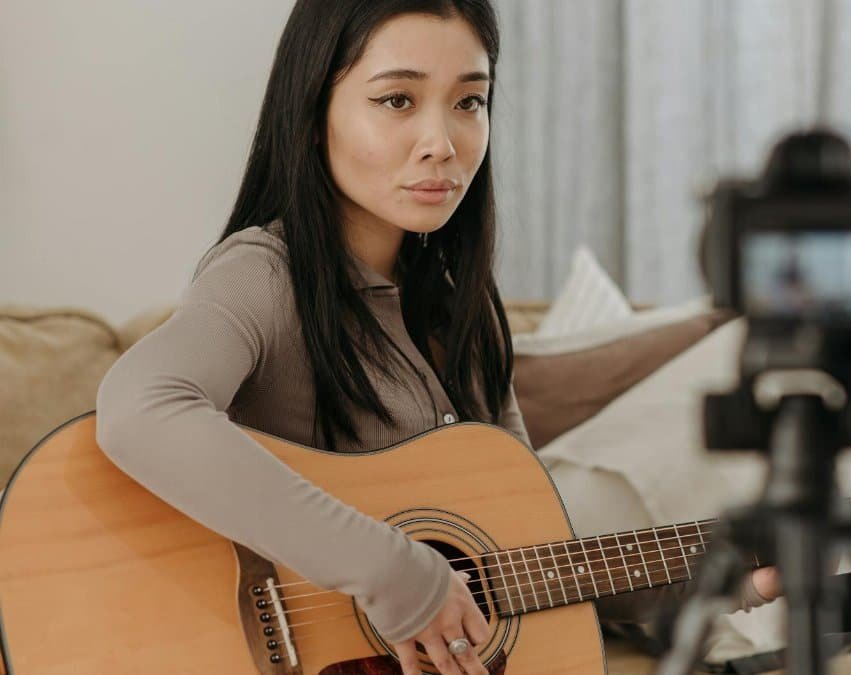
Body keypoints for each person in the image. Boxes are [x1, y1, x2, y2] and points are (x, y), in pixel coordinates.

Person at [95, 2, 779, 674]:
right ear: (310, 116)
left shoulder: (463, 310)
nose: (442, 143)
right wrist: (393, 571)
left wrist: (725, 579)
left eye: (469, 102)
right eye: (397, 100)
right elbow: (140, 408)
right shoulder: (264, 273)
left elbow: (531, 557)